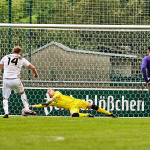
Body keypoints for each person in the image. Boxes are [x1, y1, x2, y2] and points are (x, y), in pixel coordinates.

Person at [0, 46, 38, 118]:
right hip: (16, 79)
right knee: (22, 93)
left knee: (5, 98)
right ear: (20, 52)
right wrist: (35, 74)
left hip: (6, 80)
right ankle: (27, 109)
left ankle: (6, 112)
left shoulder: (6, 57)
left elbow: (0, 66)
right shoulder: (21, 59)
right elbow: (33, 67)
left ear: (13, 51)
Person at [30, 88, 117, 118]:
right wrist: (32, 106)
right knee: (74, 115)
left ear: (53, 91)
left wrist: (50, 100)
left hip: (77, 102)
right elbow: (42, 105)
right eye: (48, 92)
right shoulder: (52, 102)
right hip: (71, 107)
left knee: (93, 106)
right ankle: (87, 115)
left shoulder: (57, 93)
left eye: (50, 91)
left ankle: (109, 113)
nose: (49, 92)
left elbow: (56, 96)